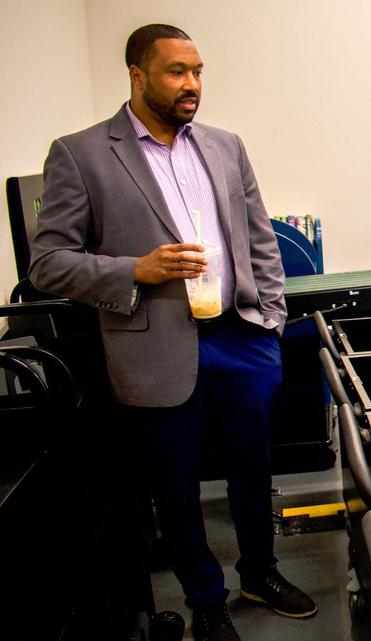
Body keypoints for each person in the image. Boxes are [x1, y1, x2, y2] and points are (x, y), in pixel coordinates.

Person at [29, 24, 315, 641]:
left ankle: (259, 572)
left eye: (198, 71)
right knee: (175, 482)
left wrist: (270, 319)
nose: (192, 85)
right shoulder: (80, 154)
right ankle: (205, 601)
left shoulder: (225, 145)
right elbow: (48, 261)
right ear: (137, 75)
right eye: (176, 72)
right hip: (154, 344)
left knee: (251, 466)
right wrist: (136, 268)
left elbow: (259, 238)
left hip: (240, 336)